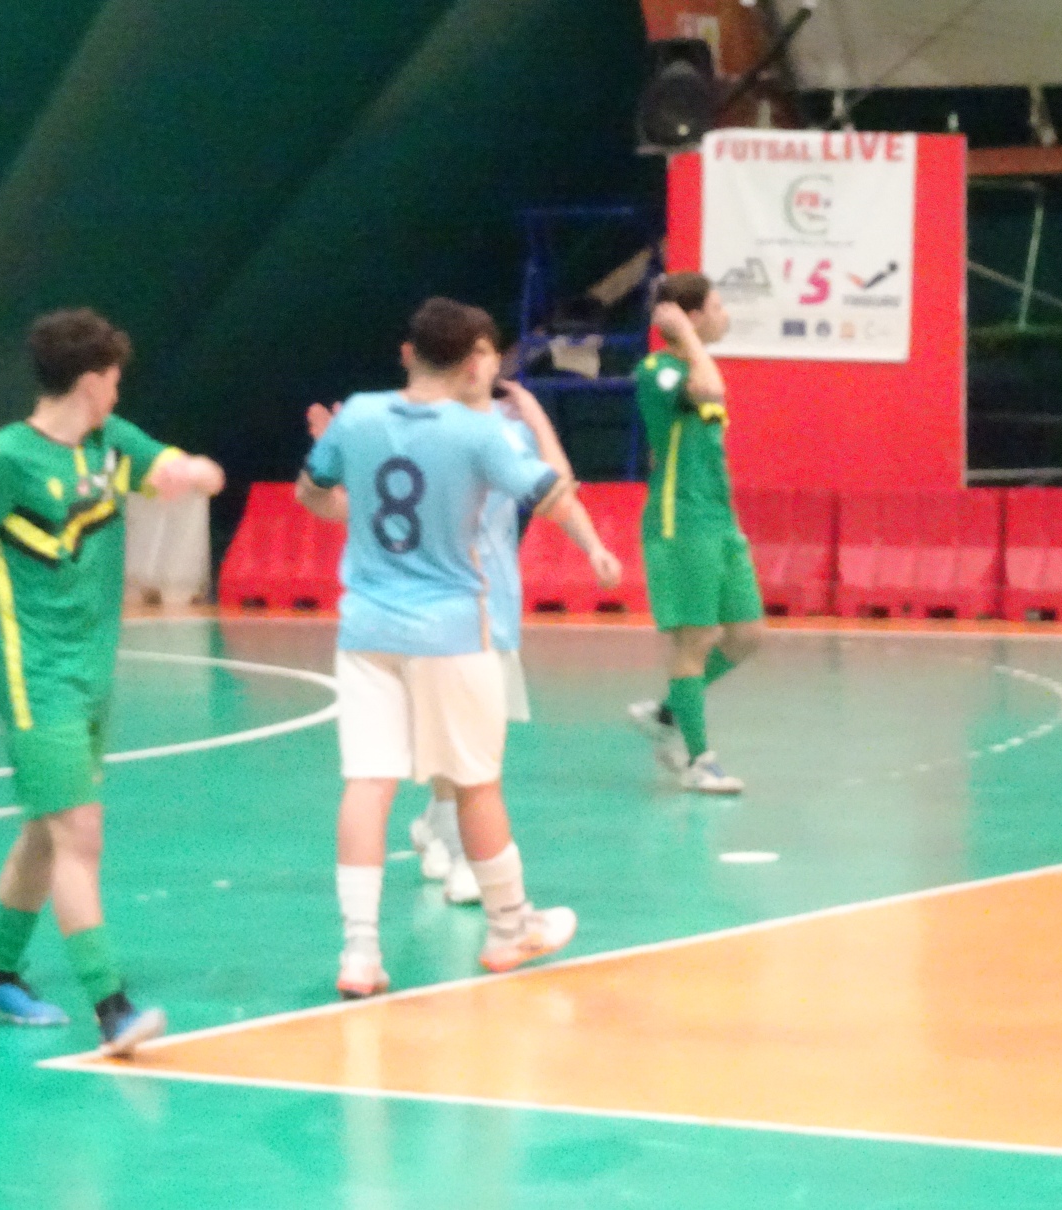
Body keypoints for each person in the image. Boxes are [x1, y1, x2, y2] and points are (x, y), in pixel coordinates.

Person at [0, 308, 225, 1057]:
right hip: (35, 679)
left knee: (46, 827)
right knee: (78, 834)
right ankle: (113, 1008)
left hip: (93, 677)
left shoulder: (109, 444)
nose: (118, 394)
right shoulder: (3, 458)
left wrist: (193, 473)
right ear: (91, 381)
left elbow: (175, 469)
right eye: (115, 381)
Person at [295, 298, 580, 998]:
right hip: (451, 631)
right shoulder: (482, 433)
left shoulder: (359, 415)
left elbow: (313, 494)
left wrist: (358, 500)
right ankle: (509, 927)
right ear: (471, 366)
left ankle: (360, 952)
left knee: (368, 784)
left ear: (407, 353)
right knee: (476, 782)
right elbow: (550, 494)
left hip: (366, 630)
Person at [307, 383, 621, 904]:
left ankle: (438, 827)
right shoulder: (417, 432)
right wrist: (342, 467)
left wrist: (593, 547)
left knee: (473, 747)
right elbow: (362, 508)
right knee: (456, 751)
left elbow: (558, 493)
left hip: (493, 608)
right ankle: (463, 861)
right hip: (439, 614)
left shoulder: (505, 433)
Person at [626, 272, 764, 794]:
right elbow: (707, 389)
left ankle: (667, 712)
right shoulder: (658, 370)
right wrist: (683, 337)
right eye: (718, 307)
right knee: (696, 639)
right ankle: (697, 759)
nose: (725, 316)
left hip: (718, 521)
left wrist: (690, 340)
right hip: (679, 522)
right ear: (692, 317)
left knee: (747, 634)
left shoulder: (696, 364)